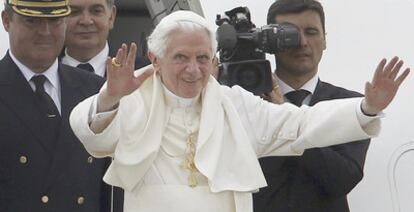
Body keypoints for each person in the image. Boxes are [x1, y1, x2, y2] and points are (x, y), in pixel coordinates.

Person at [69, 10, 409, 212]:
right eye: (181, 58)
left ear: (214, 61)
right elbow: (91, 135)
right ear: (155, 59)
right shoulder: (132, 99)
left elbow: (300, 125)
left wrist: (366, 108)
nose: (193, 69)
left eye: (202, 58)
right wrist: (109, 96)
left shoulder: (233, 103)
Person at [253, 1, 379, 211]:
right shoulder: (246, 103)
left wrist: (284, 112)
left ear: (324, 40)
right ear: (271, 43)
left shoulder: (349, 106)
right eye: (289, 34)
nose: (302, 42)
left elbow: (342, 179)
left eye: (311, 32)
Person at [0, 0, 115, 211]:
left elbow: (110, 188)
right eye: (32, 21)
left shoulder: (98, 91)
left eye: (54, 20)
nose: (45, 32)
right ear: (7, 21)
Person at [61, 0, 149, 77]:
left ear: (111, 17)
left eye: (96, 11)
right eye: (74, 12)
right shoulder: (48, 72)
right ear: (60, 18)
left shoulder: (143, 72)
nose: (86, 21)